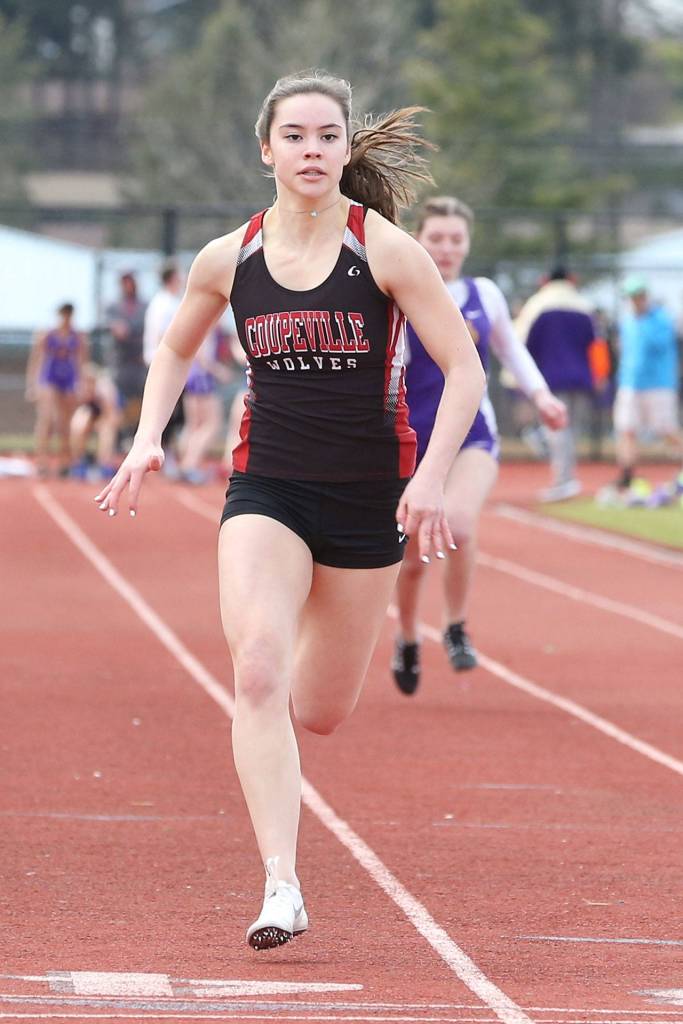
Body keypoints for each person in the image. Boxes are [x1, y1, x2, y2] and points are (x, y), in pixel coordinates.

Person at [94, 69, 485, 951]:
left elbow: (463, 370)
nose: (312, 151)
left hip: (364, 501)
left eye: (327, 136)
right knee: (259, 671)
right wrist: (147, 436)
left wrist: (429, 475)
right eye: (296, 136)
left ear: (347, 149)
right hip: (263, 486)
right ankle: (282, 884)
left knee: (319, 709)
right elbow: (172, 348)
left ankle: (317, 646)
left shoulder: (383, 249)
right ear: (265, 148)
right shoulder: (226, 257)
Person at [392, 197, 566, 695]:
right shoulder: (398, 291)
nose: (446, 249)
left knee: (459, 527)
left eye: (455, 239)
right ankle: (406, 636)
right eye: (436, 238)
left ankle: (455, 625)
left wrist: (542, 396)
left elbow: (512, 351)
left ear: (467, 244)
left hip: (472, 435)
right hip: (410, 438)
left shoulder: (482, 294)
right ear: (418, 240)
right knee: (409, 555)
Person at [513, 266, 596, 502]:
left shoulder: (537, 306)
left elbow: (523, 345)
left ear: (545, 280)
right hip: (581, 377)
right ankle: (566, 478)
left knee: (556, 430)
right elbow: (595, 345)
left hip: (550, 378)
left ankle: (564, 480)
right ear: (571, 279)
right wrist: (599, 377)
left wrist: (520, 380)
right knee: (570, 430)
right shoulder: (584, 306)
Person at [612, 275, 682, 494]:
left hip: (658, 385)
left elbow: (656, 347)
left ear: (644, 296)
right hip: (629, 384)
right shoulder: (627, 321)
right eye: (631, 297)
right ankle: (626, 476)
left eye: (637, 297)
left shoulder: (660, 319)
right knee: (626, 430)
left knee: (666, 429)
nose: (634, 301)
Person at [25, 302, 89, 477]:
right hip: (49, 379)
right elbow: (37, 359)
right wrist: (32, 384)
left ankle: (64, 461)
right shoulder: (47, 334)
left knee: (64, 423)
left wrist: (80, 384)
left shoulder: (77, 337)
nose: (66, 319)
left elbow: (81, 362)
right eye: (63, 315)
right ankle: (42, 461)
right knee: (47, 419)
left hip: (67, 381)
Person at [178, 329, 232, 484]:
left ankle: (185, 464)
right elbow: (202, 355)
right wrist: (219, 371)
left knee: (194, 425)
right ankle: (190, 466)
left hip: (192, 375)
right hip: (202, 378)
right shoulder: (210, 324)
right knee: (212, 424)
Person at [105, 271, 148, 440]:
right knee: (117, 401)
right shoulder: (114, 306)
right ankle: (120, 436)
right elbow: (117, 329)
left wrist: (130, 331)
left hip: (138, 362)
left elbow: (139, 329)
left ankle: (135, 433)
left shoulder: (144, 306)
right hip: (121, 364)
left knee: (141, 400)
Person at [69, 363, 120, 480]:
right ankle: (79, 461)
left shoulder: (104, 390)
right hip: (91, 415)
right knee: (77, 425)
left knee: (106, 431)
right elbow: (79, 410)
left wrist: (102, 425)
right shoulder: (80, 389)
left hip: (105, 415)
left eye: (90, 382)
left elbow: (111, 414)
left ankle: (104, 463)